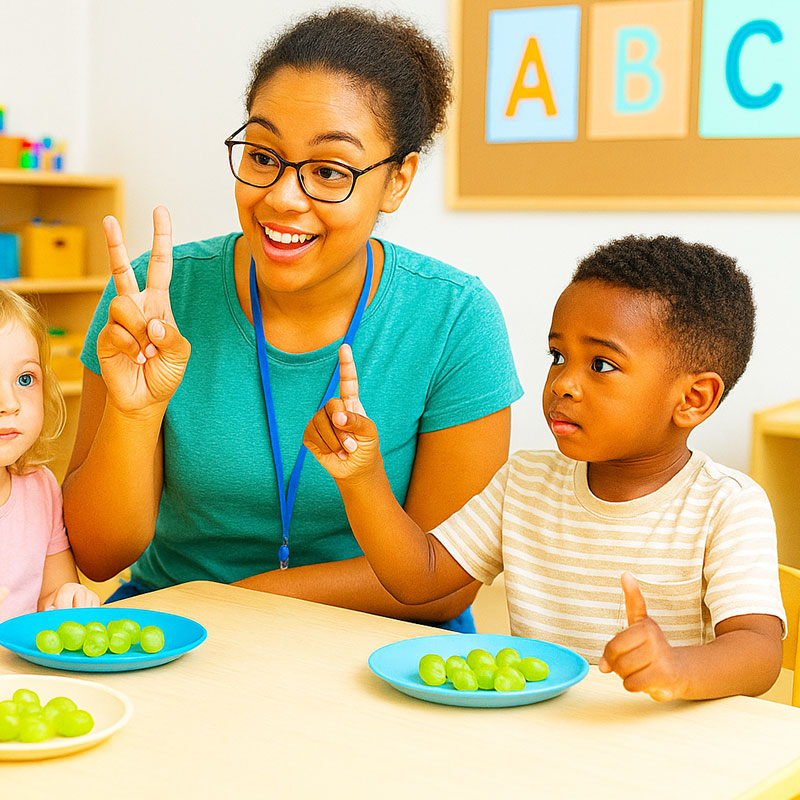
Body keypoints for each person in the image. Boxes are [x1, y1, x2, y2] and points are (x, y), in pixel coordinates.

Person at [62, 8, 522, 630]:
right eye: (262, 155)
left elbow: (443, 582)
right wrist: (134, 414)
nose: (282, 197)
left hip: (379, 639)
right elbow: (97, 555)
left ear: (397, 181)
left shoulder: (453, 319)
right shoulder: (152, 299)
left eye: (330, 171)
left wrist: (236, 605)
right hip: (174, 633)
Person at [305, 234, 786, 701]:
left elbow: (758, 652)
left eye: (601, 365)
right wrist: (361, 477)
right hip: (543, 745)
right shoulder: (525, 484)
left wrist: (677, 669)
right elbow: (418, 578)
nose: (564, 384)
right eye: (558, 356)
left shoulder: (727, 505)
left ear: (692, 399)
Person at [0, 287, 99, 622]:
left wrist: (66, 598)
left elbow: (53, 595)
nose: (9, 404)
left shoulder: (40, 489)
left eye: (25, 379)